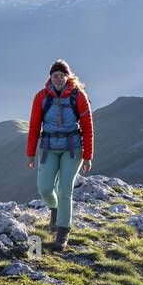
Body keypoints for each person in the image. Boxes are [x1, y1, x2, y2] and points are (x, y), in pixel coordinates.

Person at [26, 59, 93, 250]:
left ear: (67, 76)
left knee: (65, 190)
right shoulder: (41, 97)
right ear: (50, 77)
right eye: (55, 75)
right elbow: (34, 126)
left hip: (72, 149)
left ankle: (62, 233)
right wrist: (30, 154)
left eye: (61, 75)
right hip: (48, 148)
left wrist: (88, 156)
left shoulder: (79, 96)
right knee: (45, 188)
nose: (58, 79)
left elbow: (88, 128)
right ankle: (55, 211)